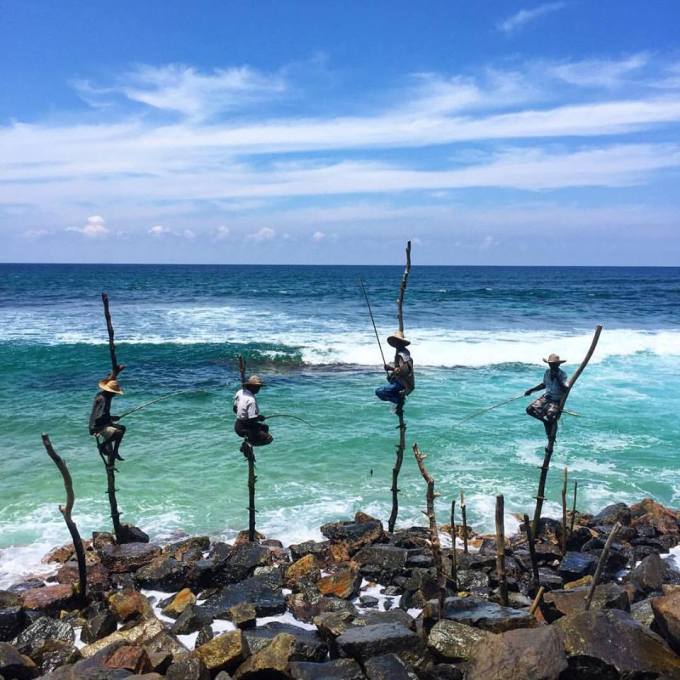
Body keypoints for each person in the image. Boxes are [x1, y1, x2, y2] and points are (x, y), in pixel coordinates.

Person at [525, 353, 569, 435]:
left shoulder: (562, 374)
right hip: (546, 397)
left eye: (554, 364)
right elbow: (544, 385)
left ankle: (550, 433)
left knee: (550, 415)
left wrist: (557, 377)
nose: (552, 366)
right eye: (550, 364)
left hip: (555, 400)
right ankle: (545, 422)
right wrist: (531, 390)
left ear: (558, 364)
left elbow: (565, 389)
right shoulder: (547, 372)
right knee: (529, 410)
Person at [375, 330, 415, 413]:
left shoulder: (402, 355)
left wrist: (391, 368)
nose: (396, 344)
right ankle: (398, 397)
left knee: (379, 392)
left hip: (404, 383)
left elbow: (405, 369)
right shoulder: (403, 352)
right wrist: (390, 368)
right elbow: (398, 366)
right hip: (403, 381)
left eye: (397, 342)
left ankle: (398, 400)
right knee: (389, 377)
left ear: (400, 343)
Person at [89, 376, 126, 461]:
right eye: (114, 392)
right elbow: (100, 416)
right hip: (97, 426)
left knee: (122, 428)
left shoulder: (101, 395)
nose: (115, 394)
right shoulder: (104, 400)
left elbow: (102, 414)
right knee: (119, 433)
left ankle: (115, 451)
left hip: (99, 423)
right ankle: (102, 446)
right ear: (110, 392)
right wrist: (111, 419)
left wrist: (111, 418)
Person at [233, 375, 273, 449]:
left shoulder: (240, 392)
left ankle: (250, 441)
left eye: (259, 387)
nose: (258, 389)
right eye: (257, 387)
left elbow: (235, 409)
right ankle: (248, 445)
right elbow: (251, 420)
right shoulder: (251, 400)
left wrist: (243, 415)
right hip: (245, 428)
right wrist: (259, 418)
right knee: (269, 439)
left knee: (265, 427)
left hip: (237, 425)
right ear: (251, 386)